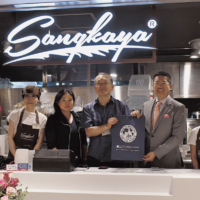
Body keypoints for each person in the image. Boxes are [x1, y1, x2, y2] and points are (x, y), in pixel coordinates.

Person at [131, 71, 186, 168]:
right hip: (146, 162)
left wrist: (156, 153)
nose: (160, 86)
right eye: (157, 83)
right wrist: (134, 120)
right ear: (153, 86)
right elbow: (142, 132)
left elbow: (178, 137)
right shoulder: (146, 106)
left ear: (170, 86)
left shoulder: (178, 107)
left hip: (168, 163)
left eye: (163, 83)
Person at [81, 72, 131, 167]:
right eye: (99, 83)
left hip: (119, 156)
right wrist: (107, 126)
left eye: (105, 83)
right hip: (95, 156)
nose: (102, 86)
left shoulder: (122, 106)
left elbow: (129, 129)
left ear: (112, 87)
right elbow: (89, 132)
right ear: (95, 87)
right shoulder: (88, 108)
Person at [45, 89, 87, 163]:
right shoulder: (52, 119)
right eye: (63, 100)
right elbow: (51, 145)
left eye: (70, 100)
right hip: (60, 163)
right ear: (58, 102)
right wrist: (59, 161)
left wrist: (85, 158)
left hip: (78, 162)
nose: (67, 102)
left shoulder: (79, 118)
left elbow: (84, 142)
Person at [7, 86, 47, 158]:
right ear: (23, 98)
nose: (30, 98)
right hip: (14, 157)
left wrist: (31, 158)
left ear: (38, 99)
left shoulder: (42, 119)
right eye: (27, 96)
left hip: (32, 157)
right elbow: (10, 137)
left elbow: (39, 142)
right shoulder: (14, 115)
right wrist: (16, 157)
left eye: (33, 96)